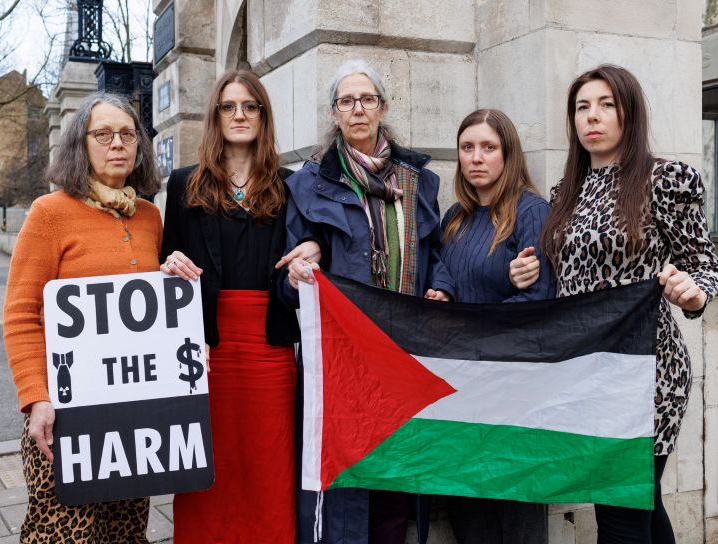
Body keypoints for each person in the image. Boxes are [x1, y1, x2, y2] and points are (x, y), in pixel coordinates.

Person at [510, 64, 718, 543]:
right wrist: (529, 271)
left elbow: (705, 264)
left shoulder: (667, 180)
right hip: (586, 372)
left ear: (630, 113)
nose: (593, 116)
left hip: (647, 373)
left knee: (620, 516)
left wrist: (694, 291)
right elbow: (570, 273)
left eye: (606, 105)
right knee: (639, 506)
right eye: (583, 107)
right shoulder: (568, 190)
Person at [279, 58, 455, 544]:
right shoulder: (307, 183)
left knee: (395, 485)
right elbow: (284, 280)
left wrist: (442, 287)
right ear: (334, 113)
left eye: (367, 99)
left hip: (402, 357)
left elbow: (435, 250)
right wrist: (297, 274)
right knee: (346, 484)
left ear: (383, 107)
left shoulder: (419, 181)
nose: (358, 109)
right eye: (346, 101)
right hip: (341, 365)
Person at [2, 92, 161, 543]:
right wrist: (36, 399)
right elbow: (20, 314)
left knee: (127, 532)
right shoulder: (49, 214)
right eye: (103, 134)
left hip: (134, 416)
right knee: (61, 534)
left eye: (128, 134)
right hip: (65, 414)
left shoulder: (149, 217)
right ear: (80, 144)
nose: (117, 144)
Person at [159, 69, 304, 543]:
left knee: (268, 462)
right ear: (215, 117)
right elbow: (167, 261)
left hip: (269, 347)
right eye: (229, 106)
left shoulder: (290, 186)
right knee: (207, 463)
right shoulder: (183, 186)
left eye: (249, 106)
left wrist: (314, 253)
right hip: (205, 348)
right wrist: (169, 262)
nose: (239, 115)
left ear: (263, 116)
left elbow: (302, 255)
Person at [439, 109, 553, 543]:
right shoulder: (455, 217)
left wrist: (481, 318)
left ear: (508, 154)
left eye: (488, 148)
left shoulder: (530, 212)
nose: (476, 158)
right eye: (467, 148)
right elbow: (442, 270)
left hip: (512, 390)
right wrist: (442, 291)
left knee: (515, 512)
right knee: (469, 512)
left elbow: (537, 302)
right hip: (461, 390)